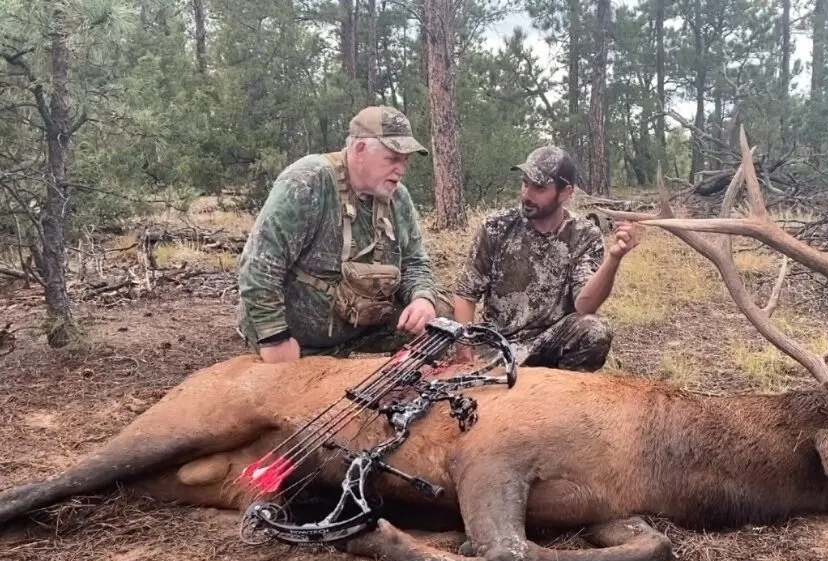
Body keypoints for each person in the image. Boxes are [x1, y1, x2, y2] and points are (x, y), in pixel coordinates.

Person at [236, 105, 449, 364]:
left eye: (406, 160)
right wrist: (274, 338)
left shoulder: (398, 198)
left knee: (443, 318)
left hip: (362, 327)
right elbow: (260, 264)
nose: (401, 169)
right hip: (299, 339)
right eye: (393, 158)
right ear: (360, 150)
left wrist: (423, 299)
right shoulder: (308, 182)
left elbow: (415, 262)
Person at [453, 145, 639, 372]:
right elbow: (465, 294)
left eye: (539, 188)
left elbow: (585, 304)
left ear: (566, 192)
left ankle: (562, 394)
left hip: (551, 343)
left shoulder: (584, 235)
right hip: (497, 345)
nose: (526, 195)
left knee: (595, 330)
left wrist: (614, 258)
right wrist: (465, 354)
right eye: (525, 183)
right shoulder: (496, 227)